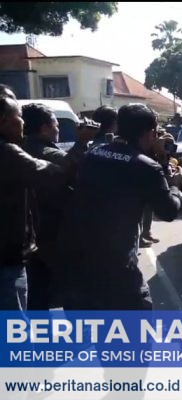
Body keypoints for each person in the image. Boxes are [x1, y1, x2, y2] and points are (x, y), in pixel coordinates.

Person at [57, 104, 182, 310]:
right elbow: (168, 211)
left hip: (78, 263)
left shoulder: (93, 154)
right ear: (151, 133)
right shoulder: (146, 167)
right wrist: (175, 185)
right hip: (117, 269)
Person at [21, 103, 96, 310]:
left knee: (37, 292)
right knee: (75, 289)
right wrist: (82, 142)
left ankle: (39, 339)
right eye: (55, 124)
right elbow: (68, 167)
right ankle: (81, 337)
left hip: (31, 234)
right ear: (45, 127)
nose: (58, 128)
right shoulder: (43, 152)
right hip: (55, 233)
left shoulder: (18, 149)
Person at [0, 95, 63, 310]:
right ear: (2, 120)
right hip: (9, 258)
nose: (22, 122)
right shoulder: (8, 151)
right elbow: (45, 171)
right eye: (17, 116)